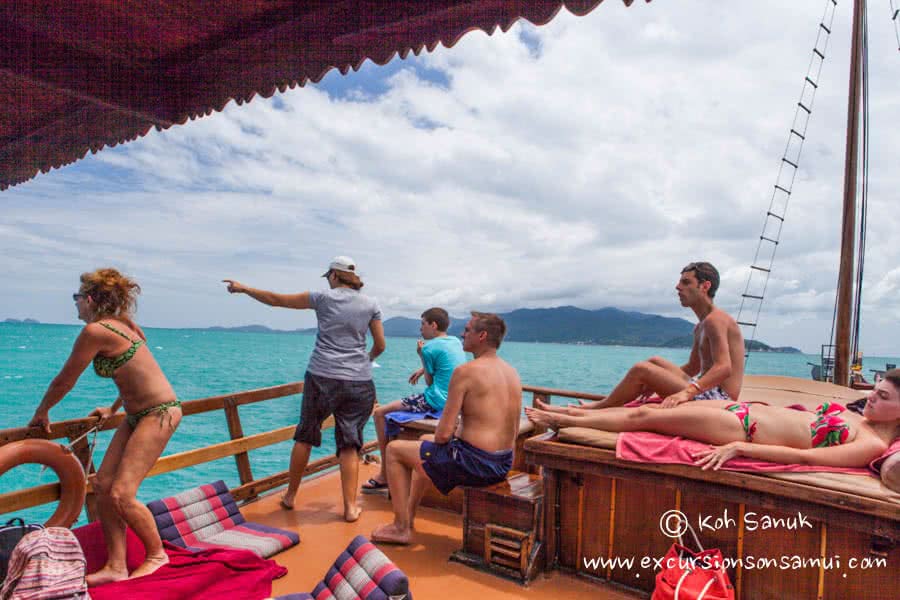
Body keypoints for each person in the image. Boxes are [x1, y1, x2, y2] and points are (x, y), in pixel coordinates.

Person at [27, 268, 182, 585]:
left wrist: (42, 411)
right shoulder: (123, 326)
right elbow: (134, 375)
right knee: (102, 485)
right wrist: (111, 408)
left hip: (160, 412)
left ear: (90, 299)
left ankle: (157, 555)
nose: (74, 305)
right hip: (136, 414)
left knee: (122, 494)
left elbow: (65, 379)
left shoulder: (96, 331)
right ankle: (116, 565)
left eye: (76, 298)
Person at [223, 256, 385, 522]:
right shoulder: (371, 304)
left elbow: (277, 300)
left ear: (334, 275)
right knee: (350, 444)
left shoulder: (322, 298)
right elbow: (380, 345)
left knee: (305, 435)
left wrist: (244, 289)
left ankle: (290, 495)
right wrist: (364, 362)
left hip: (321, 376)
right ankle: (349, 508)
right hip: (359, 381)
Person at [525, 368, 900, 471]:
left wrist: (738, 446)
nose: (870, 396)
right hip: (744, 410)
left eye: (882, 396)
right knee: (658, 408)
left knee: (644, 416)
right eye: (874, 389)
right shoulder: (861, 417)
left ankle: (556, 420)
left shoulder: (871, 444)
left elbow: (806, 459)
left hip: (743, 429)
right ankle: (565, 412)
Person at [371, 312, 522, 545]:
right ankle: (408, 518)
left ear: (481, 336)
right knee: (423, 439)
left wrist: (455, 435)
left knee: (394, 450)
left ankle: (400, 527)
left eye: (468, 330)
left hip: (475, 463)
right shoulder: (511, 372)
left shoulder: (465, 372)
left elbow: (443, 435)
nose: (462, 333)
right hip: (501, 462)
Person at [566, 262, 745, 411]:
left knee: (641, 369)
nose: (678, 287)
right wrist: (657, 381)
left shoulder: (716, 320)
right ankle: (614, 401)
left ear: (705, 286)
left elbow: (724, 368)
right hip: (706, 391)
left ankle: (601, 407)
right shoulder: (700, 326)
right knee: (654, 362)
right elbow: (693, 367)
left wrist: (686, 392)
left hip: (720, 399)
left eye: (686, 282)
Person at [363, 307, 466, 492]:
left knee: (379, 413)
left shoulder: (428, 348)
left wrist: (422, 358)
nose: (420, 329)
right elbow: (448, 367)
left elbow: (429, 382)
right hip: (454, 401)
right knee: (385, 412)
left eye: (422, 324)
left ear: (433, 325)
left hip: (435, 400)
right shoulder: (455, 342)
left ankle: (384, 474)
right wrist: (424, 367)